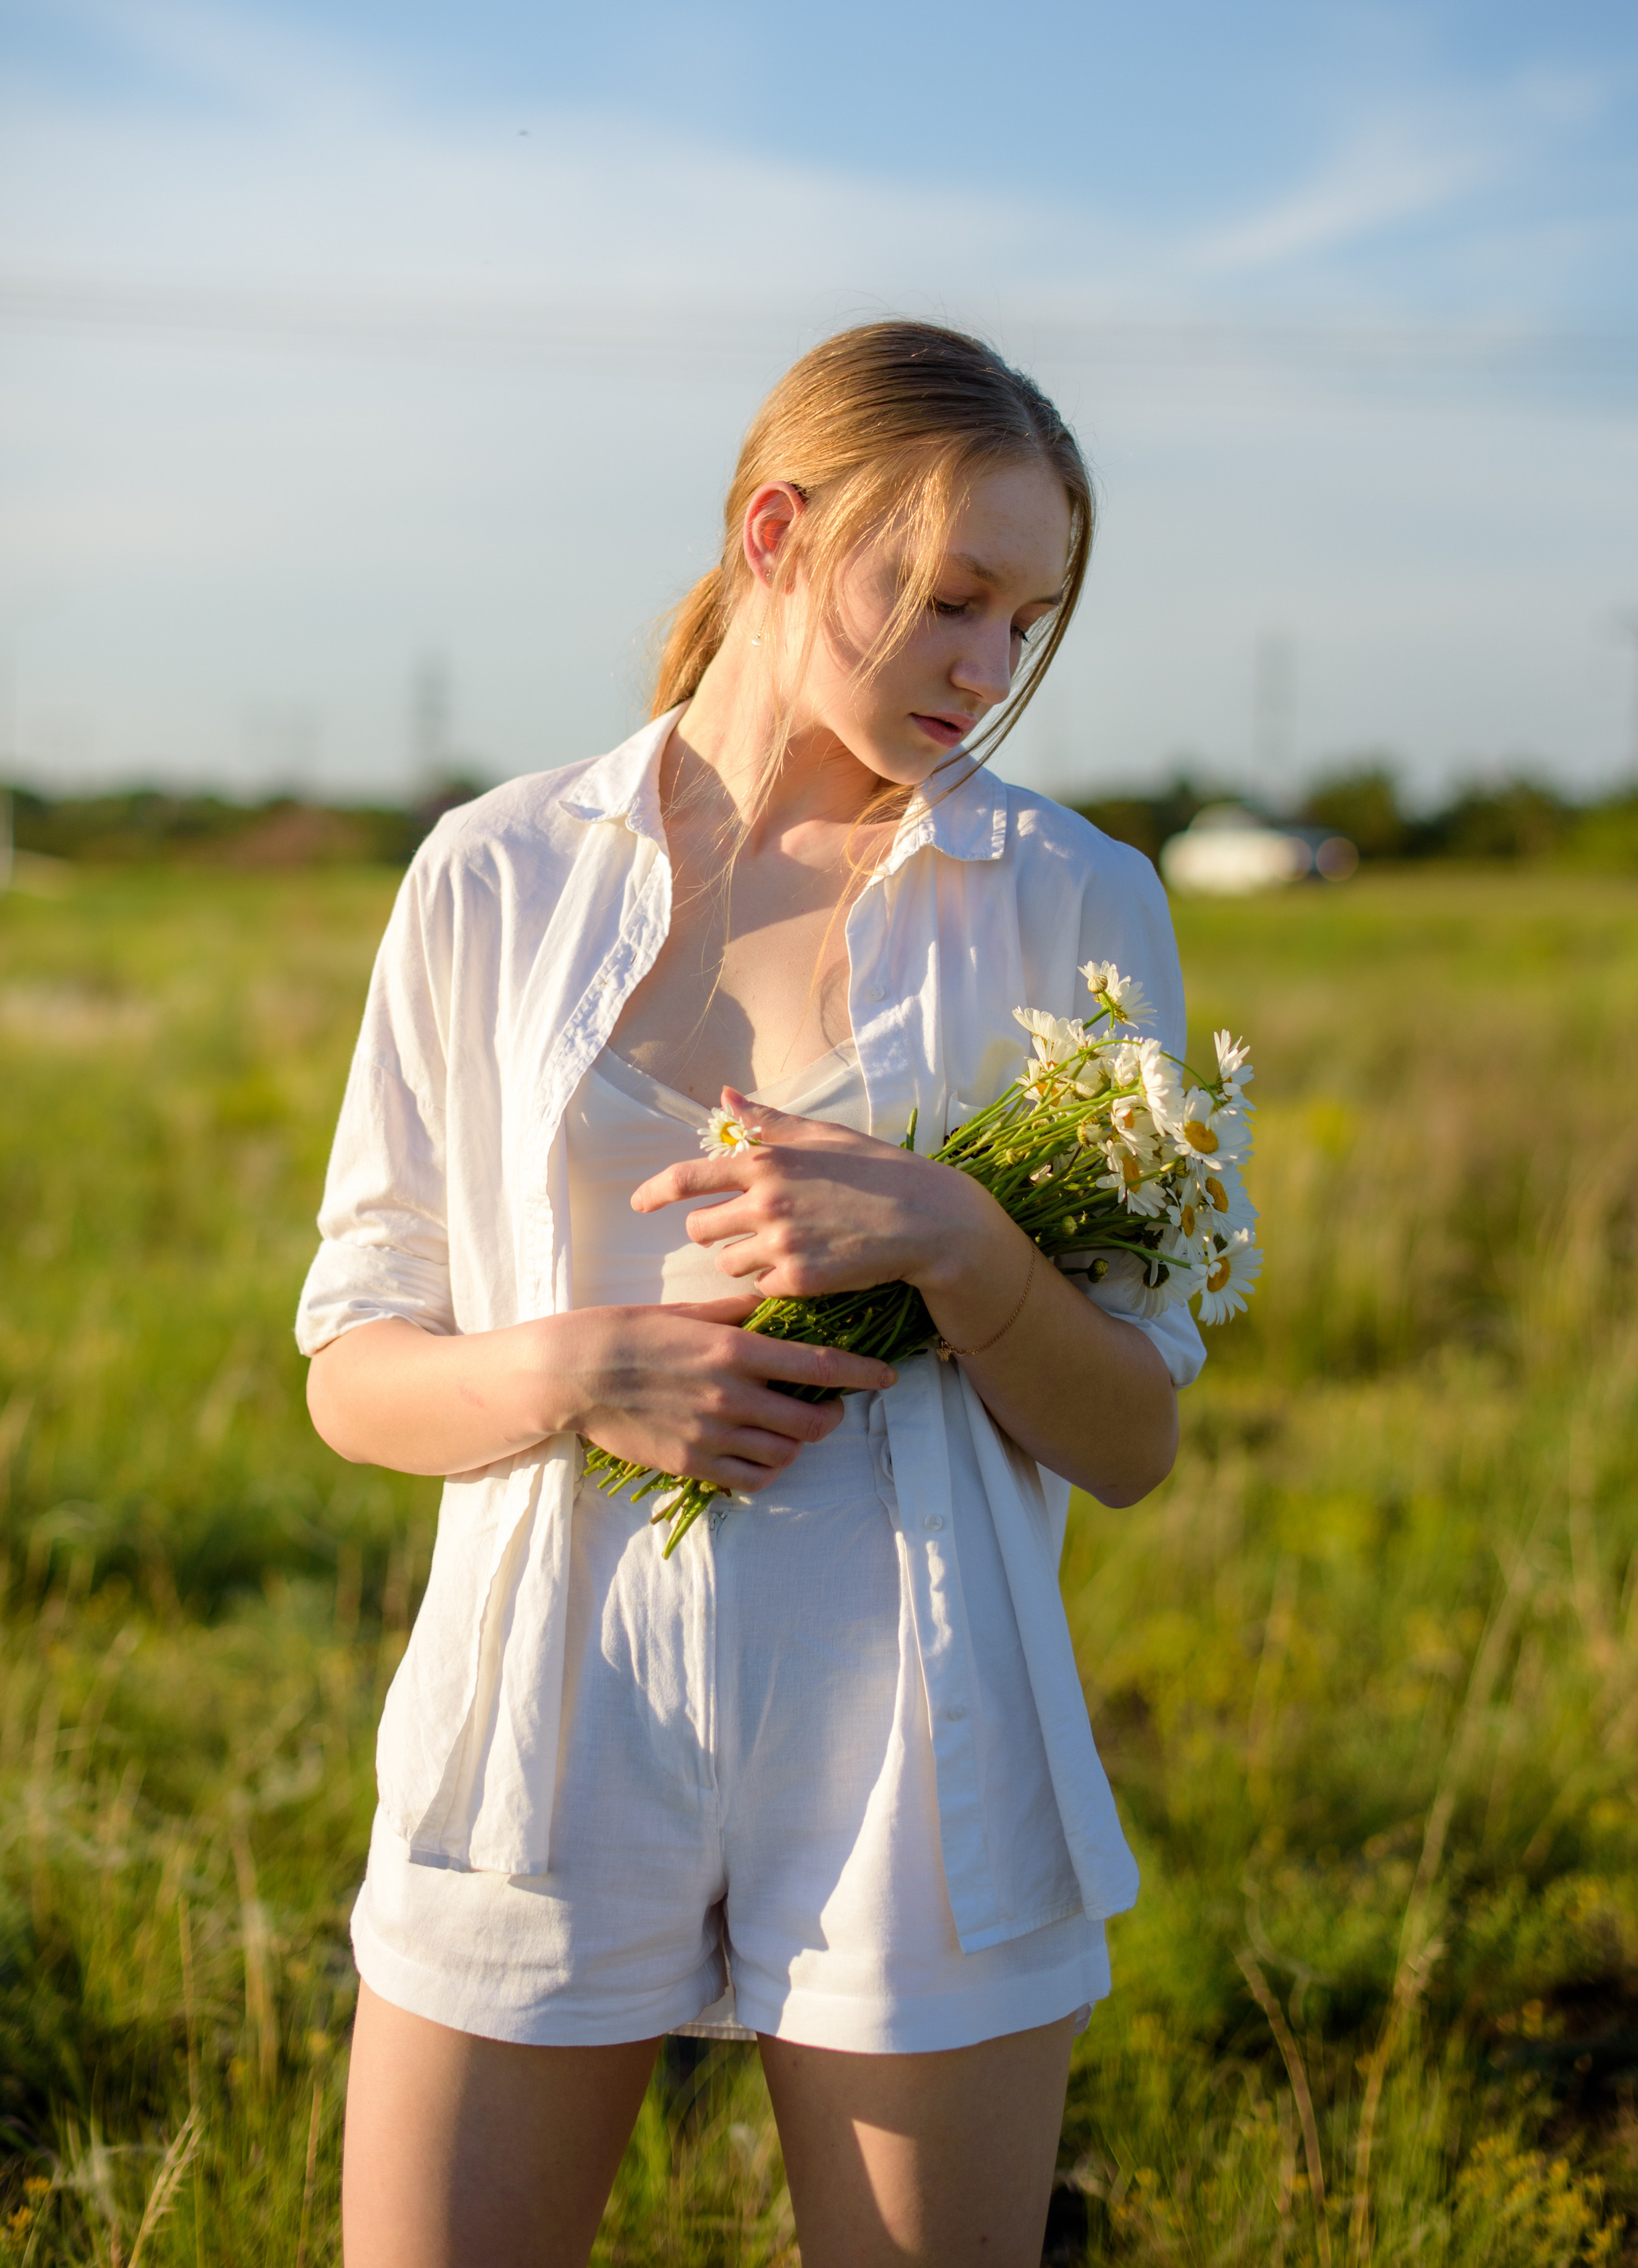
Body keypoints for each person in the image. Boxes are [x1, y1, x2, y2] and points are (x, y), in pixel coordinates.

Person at [300, 321, 1206, 2268]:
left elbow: (1131, 1437)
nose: (990, 667)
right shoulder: (493, 875)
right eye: (951, 596)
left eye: (1029, 620)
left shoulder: (1076, 900)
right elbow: (356, 1370)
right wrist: (577, 1365)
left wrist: (957, 1240)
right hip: (537, 1728)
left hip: (926, 1761)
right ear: (779, 533)